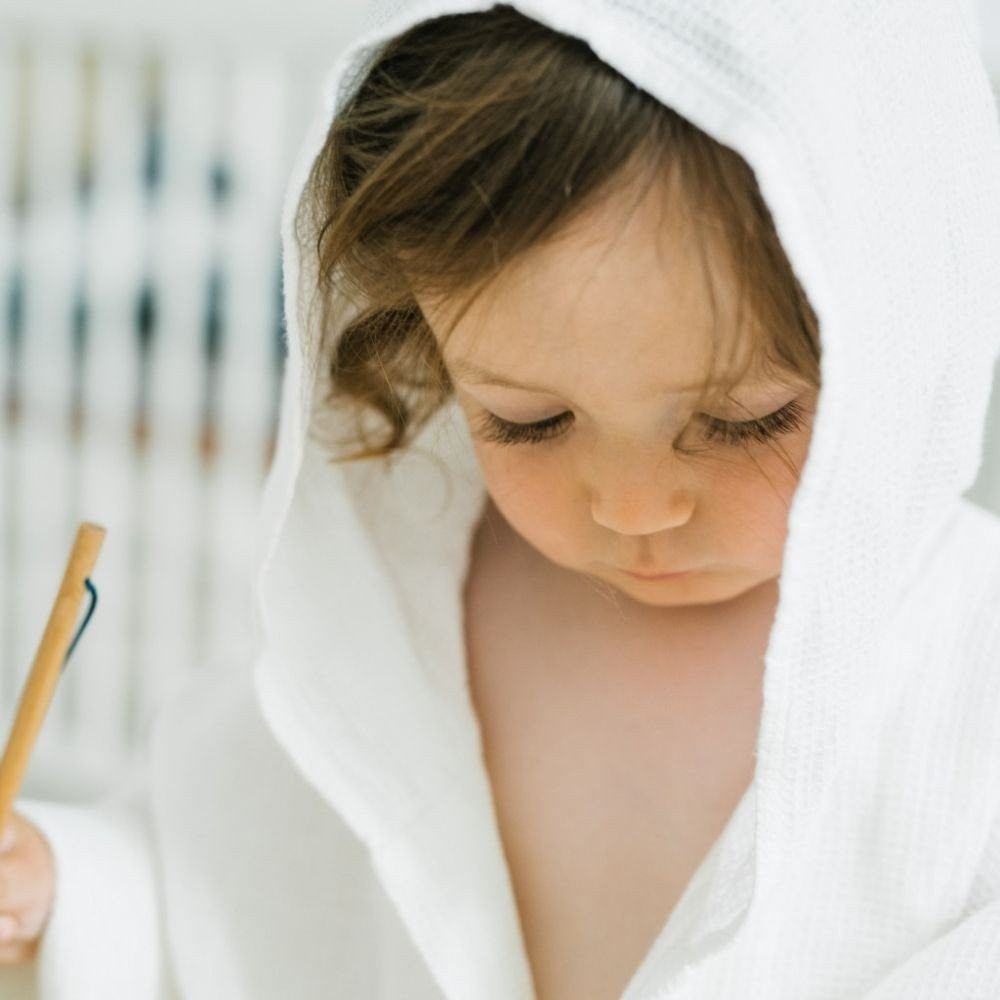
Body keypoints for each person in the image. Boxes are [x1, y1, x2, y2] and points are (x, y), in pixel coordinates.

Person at [3, 1, 1000, 997]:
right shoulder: (406, 622)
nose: (631, 505)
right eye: (527, 420)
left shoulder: (968, 671)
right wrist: (63, 893)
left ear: (908, 344)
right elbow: (236, 872)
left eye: (742, 421)